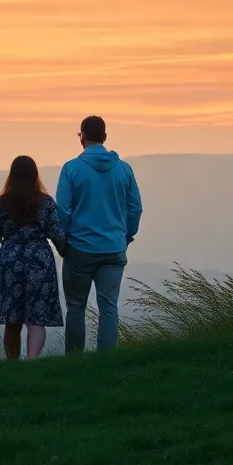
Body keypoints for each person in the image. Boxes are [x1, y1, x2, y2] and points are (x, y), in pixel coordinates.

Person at [55, 116, 143, 353]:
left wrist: (63, 240)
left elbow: (62, 209)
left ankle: (74, 362)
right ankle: (106, 363)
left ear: (82, 137)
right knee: (108, 307)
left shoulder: (71, 169)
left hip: (79, 249)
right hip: (114, 247)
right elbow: (135, 208)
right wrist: (125, 236)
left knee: (75, 307)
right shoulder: (124, 169)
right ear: (105, 137)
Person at [0, 155, 67, 360]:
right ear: (35, 176)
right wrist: (66, 251)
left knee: (12, 320)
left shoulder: (1, 203)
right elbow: (58, 235)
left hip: (10, 262)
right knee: (36, 318)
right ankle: (32, 362)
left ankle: (12, 364)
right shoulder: (46, 203)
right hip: (39, 262)